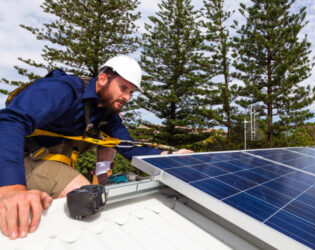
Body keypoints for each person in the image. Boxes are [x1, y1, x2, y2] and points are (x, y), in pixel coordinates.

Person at [0, 55, 192, 240]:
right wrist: (12, 188)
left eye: (131, 92)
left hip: (52, 154)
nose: (126, 97)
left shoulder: (107, 112)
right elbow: (9, 122)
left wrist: (170, 156)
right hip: (19, 155)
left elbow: (128, 146)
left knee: (109, 139)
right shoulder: (63, 89)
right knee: (87, 197)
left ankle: (102, 179)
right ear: (102, 79)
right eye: (123, 88)